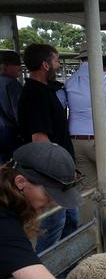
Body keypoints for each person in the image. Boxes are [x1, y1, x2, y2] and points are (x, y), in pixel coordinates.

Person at [17, 44, 78, 252]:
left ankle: (68, 265)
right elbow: (39, 139)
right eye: (56, 61)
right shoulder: (36, 95)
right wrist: (54, 179)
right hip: (52, 176)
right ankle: (48, 267)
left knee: (70, 220)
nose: (58, 65)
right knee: (53, 224)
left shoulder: (44, 90)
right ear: (45, 65)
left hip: (59, 175)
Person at [0, 142, 82, 279]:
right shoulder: (4, 224)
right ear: (20, 182)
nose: (54, 203)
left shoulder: (9, 202)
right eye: (48, 195)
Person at [65, 48, 106, 223]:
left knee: (87, 187)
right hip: (104, 138)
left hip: (77, 140)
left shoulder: (71, 80)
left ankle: (91, 233)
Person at [0, 51, 22, 162]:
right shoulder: (12, 84)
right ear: (6, 65)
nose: (20, 67)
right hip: (10, 132)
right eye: (17, 64)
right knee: (15, 165)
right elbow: (19, 112)